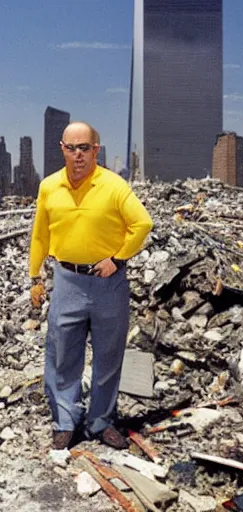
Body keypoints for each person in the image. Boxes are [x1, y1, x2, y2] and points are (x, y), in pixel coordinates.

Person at [29, 122, 153, 450]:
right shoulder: (49, 187)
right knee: (62, 354)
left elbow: (142, 223)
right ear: (62, 149)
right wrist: (34, 277)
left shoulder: (114, 186)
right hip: (66, 280)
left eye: (84, 148)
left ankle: (101, 421)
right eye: (71, 148)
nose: (78, 155)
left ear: (96, 150)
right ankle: (65, 422)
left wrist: (118, 258)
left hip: (107, 283)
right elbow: (41, 235)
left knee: (108, 355)